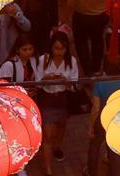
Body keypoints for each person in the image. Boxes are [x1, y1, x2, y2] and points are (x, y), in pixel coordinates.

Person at [36, 31, 79, 175]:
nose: (59, 52)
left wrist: (65, 81)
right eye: (56, 48)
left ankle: (57, 146)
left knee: (61, 126)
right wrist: (46, 79)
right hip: (47, 99)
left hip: (62, 98)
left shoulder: (71, 61)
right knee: (48, 134)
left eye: (62, 48)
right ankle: (48, 169)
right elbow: (37, 83)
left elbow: (74, 85)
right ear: (51, 47)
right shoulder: (43, 60)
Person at [86, 58, 120, 176]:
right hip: (118, 120)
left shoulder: (100, 83)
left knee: (95, 146)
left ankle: (92, 172)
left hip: (102, 118)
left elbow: (95, 108)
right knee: (115, 151)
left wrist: (91, 126)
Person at [65, 0, 109, 76]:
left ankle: (87, 70)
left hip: (82, 15)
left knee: (81, 43)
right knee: (98, 41)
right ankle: (96, 68)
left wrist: (67, 13)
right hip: (101, 14)